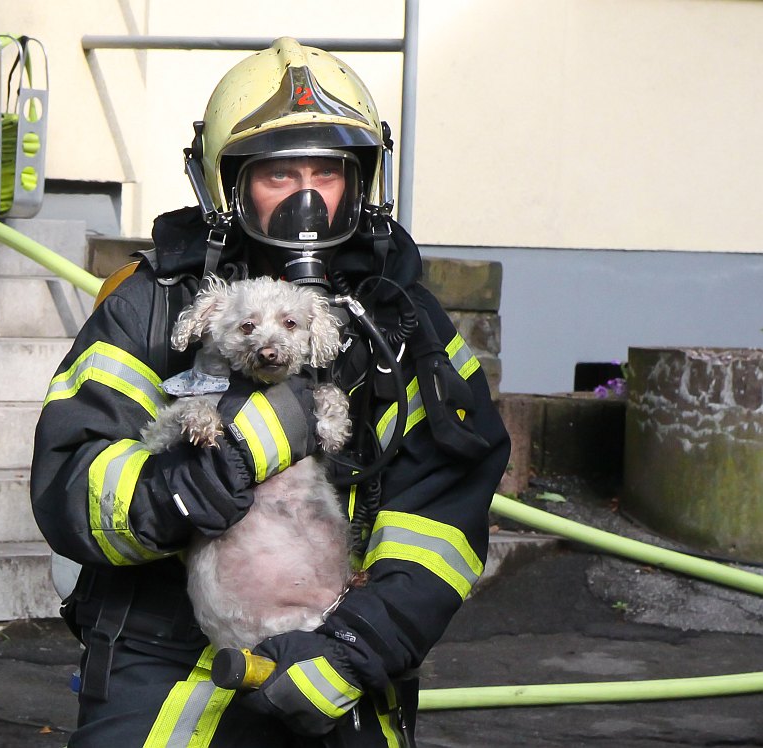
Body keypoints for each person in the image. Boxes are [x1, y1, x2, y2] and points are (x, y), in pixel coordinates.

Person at [31, 37, 510, 747]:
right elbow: (70, 481)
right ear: (228, 186)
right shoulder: (152, 306)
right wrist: (185, 485)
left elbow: (441, 520)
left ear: (361, 181)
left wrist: (355, 648)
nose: (307, 200)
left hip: (337, 651)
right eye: (280, 173)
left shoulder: (404, 322)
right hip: (162, 657)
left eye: (328, 172)